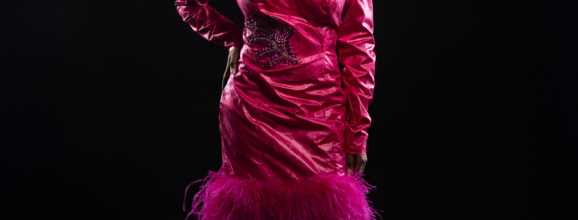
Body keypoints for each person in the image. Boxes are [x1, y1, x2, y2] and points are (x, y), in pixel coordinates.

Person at [175, 0, 379, 219]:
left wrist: (358, 132)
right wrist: (230, 37)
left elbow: (359, 47)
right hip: (252, 108)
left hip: (320, 113)